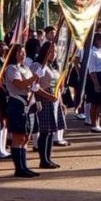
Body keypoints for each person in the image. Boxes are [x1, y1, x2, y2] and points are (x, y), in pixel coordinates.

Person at [1, 44, 40, 179]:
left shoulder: (26, 68)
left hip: (28, 102)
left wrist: (35, 85)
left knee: (26, 137)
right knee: (19, 136)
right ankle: (19, 168)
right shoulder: (11, 68)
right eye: (20, 53)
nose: (23, 55)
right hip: (17, 102)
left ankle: (24, 166)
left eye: (24, 52)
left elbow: (29, 84)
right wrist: (35, 77)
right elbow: (20, 84)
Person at [33, 42, 64, 170]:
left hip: (54, 100)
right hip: (44, 99)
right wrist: (47, 96)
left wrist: (60, 101)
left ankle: (48, 158)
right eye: (51, 52)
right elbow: (34, 86)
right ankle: (43, 159)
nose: (53, 54)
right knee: (45, 131)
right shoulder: (37, 65)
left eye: (55, 52)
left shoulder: (52, 66)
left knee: (51, 131)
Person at [84, 33, 101, 133]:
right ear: (97, 41)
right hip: (95, 77)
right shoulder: (92, 52)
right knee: (94, 103)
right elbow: (92, 70)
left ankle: (98, 123)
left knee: (99, 103)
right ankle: (94, 124)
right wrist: (96, 84)